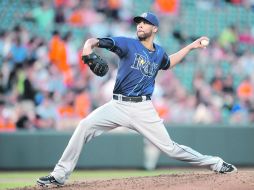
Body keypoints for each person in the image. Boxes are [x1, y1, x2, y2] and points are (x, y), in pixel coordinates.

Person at [37, 12, 237, 187]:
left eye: (145, 22)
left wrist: (191, 47)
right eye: (138, 22)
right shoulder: (128, 44)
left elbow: (169, 62)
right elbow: (99, 42)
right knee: (84, 126)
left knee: (171, 149)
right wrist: (88, 45)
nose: (140, 25)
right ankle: (59, 175)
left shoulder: (158, 53)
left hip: (143, 108)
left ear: (155, 28)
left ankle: (216, 163)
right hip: (117, 105)